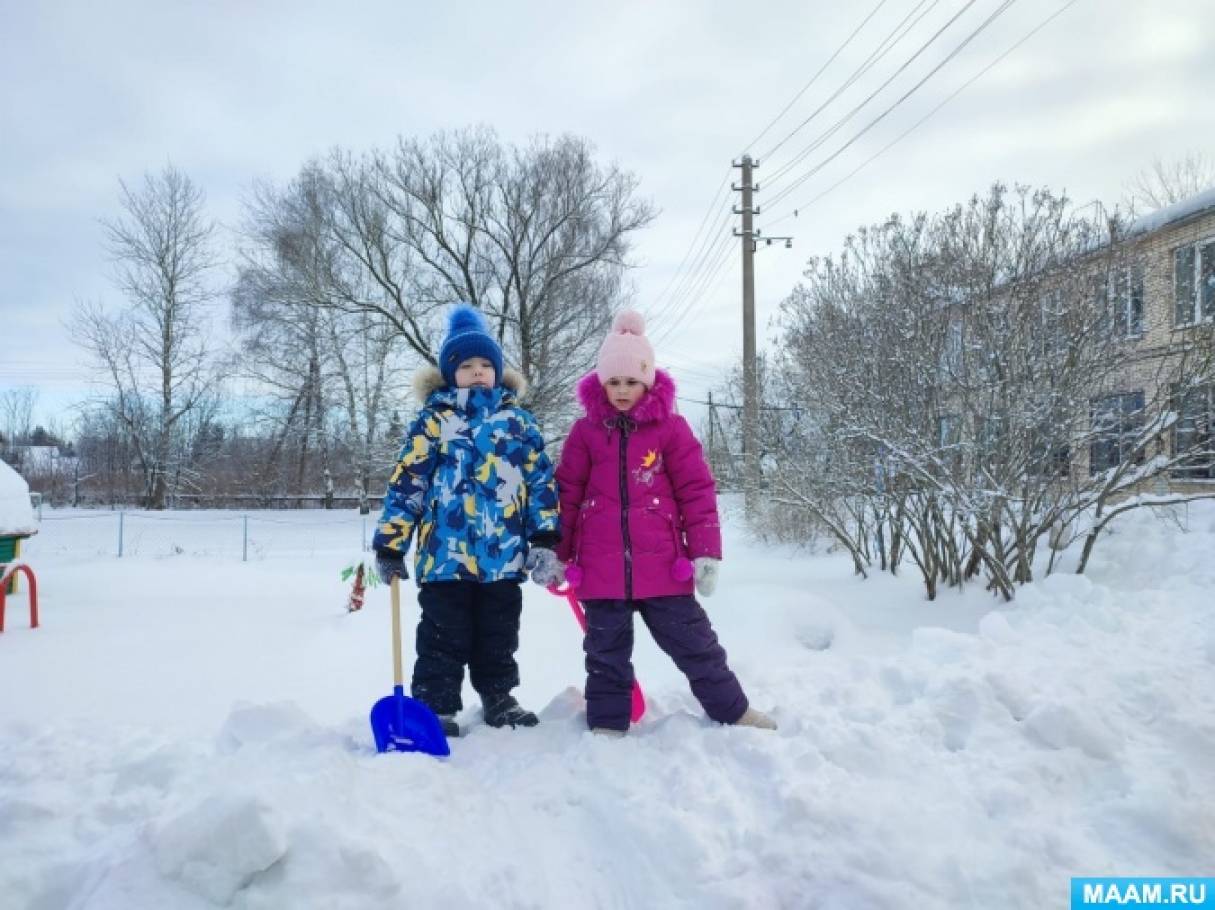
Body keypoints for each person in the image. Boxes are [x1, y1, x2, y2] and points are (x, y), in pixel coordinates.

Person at [553, 310, 776, 735]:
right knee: (605, 656)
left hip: (664, 567)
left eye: (631, 381)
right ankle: (607, 727)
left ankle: (733, 710)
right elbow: (566, 494)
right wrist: (556, 551)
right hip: (601, 572)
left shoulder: (670, 430)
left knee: (697, 647)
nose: (622, 390)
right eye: (613, 382)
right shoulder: (585, 433)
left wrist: (706, 552)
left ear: (648, 382)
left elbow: (697, 490)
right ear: (601, 383)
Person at [372, 303, 563, 737]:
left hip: (503, 557)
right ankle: (435, 706)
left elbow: (540, 483)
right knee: (442, 634)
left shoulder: (518, 423)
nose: (477, 372)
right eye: (466, 365)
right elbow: (408, 485)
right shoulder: (433, 422)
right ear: (449, 372)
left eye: (485, 364)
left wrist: (545, 538)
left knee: (499, 633)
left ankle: (499, 697)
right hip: (444, 558)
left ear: (497, 371)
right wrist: (391, 543)